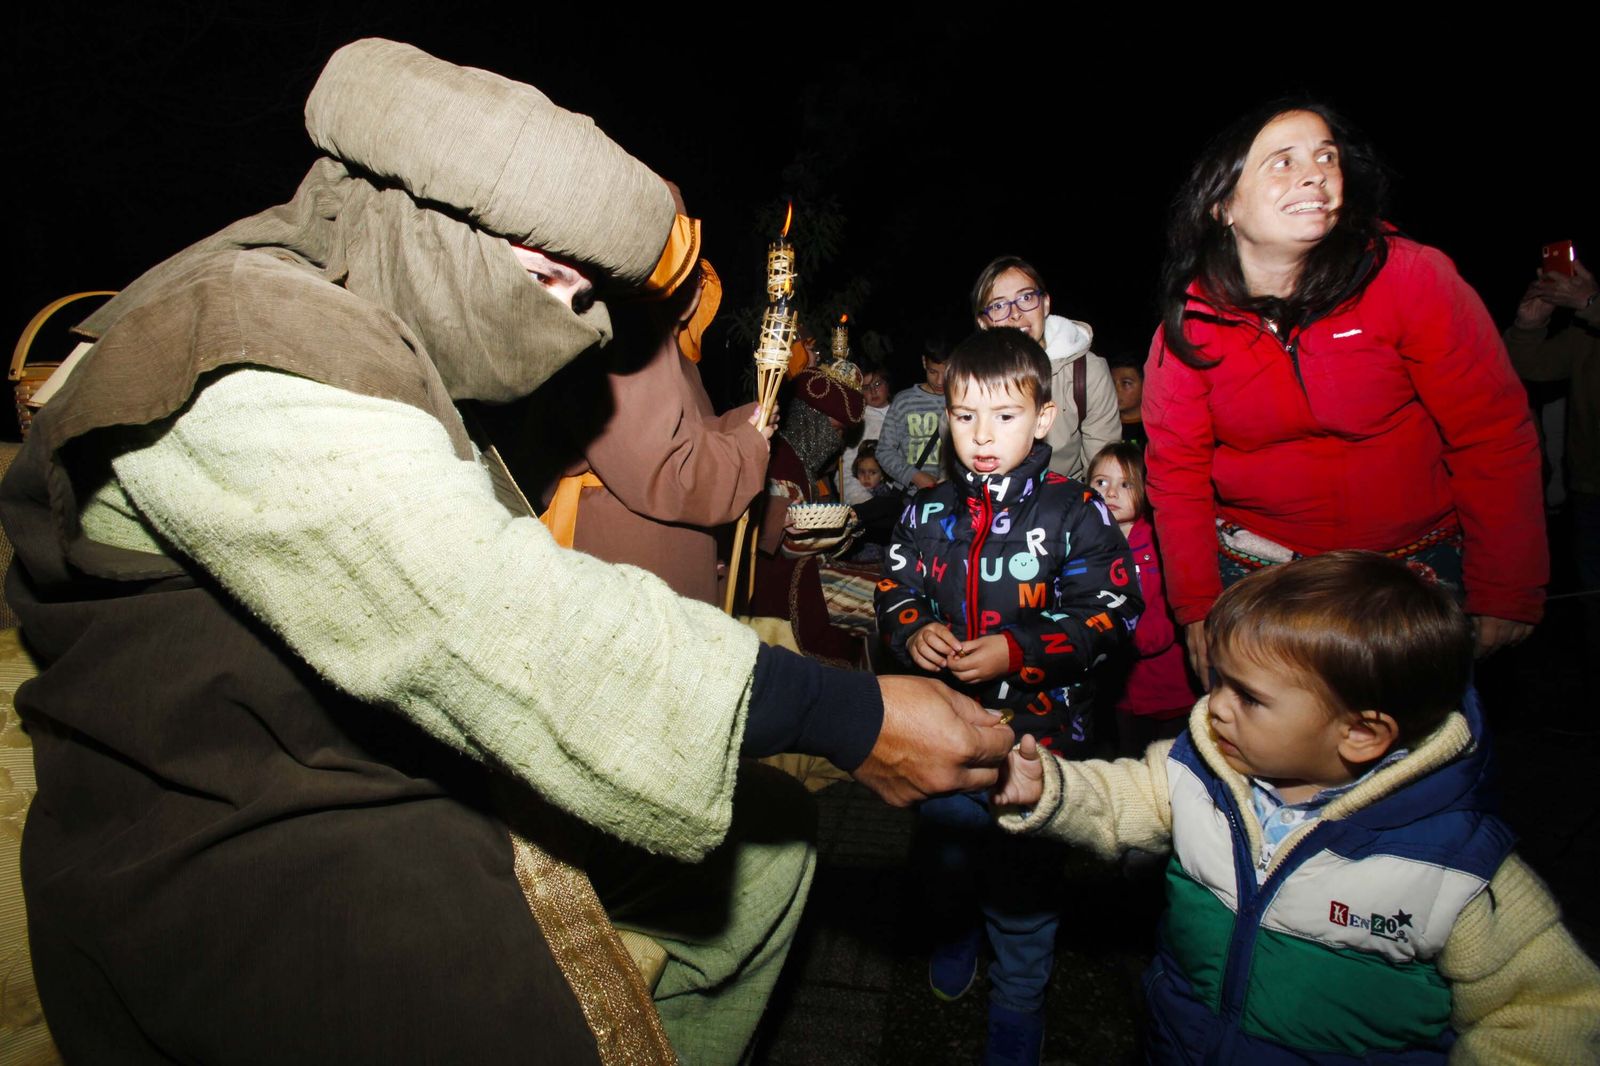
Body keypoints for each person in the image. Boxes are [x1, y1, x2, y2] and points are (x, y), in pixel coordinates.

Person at [0, 40, 1014, 1065]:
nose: (565, 324)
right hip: (235, 832)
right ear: (429, 221)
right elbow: (496, 616)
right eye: (541, 280)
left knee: (764, 857)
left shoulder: (386, 332)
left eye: (586, 296)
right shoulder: (241, 350)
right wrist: (850, 713)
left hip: (389, 758)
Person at [994, 551, 1600, 1062]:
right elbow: (1125, 796)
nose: (1215, 707)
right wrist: (1050, 787)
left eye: (1249, 697)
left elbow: (1547, 1014)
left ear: (1360, 734)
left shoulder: (1459, 874)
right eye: (1219, 680)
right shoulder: (1205, 771)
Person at [1143, 101, 1546, 680]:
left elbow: (1491, 434)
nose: (1314, 174)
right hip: (1263, 568)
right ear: (1223, 205)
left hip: (1409, 567)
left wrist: (1509, 585)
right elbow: (1176, 475)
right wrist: (1197, 606)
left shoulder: (1411, 278)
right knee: (1277, 754)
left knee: (1417, 747)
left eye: (1325, 157)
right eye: (1281, 162)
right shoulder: (1188, 329)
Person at [875, 329, 1140, 1064]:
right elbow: (895, 587)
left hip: (1036, 742)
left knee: (1024, 881)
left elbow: (1112, 610)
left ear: (1044, 418)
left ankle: (1021, 996)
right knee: (949, 854)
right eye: (965, 416)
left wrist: (1020, 649)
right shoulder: (928, 512)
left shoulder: (1076, 510)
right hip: (946, 735)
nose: (982, 436)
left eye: (1004, 416)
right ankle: (954, 932)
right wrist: (913, 628)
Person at [1506, 254, 1599, 661]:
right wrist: (1530, 326)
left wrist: (1592, 306)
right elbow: (1532, 366)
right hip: (1590, 485)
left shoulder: (1591, 314)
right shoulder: (1585, 333)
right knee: (1593, 598)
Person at [1088, 443, 1197, 755]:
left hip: (1167, 687)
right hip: (1118, 693)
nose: (1110, 493)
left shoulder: (1158, 541)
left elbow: (1161, 621)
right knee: (1129, 759)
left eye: (1126, 484)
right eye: (1100, 482)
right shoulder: (1085, 541)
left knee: (1173, 765)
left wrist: (1116, 643)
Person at [971, 255, 1119, 480]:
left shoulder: (1086, 372)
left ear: (1046, 303)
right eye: (999, 305)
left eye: (1026, 297)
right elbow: (954, 472)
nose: (1016, 313)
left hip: (1065, 503)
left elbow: (1103, 475)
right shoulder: (967, 379)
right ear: (983, 323)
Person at [876, 341, 949, 490]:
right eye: (933, 372)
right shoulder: (904, 401)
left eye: (947, 372)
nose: (940, 381)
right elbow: (884, 451)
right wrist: (914, 476)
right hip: (911, 497)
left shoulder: (964, 401)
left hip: (952, 497)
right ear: (924, 362)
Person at [1107, 356, 1147, 449]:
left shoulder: (1153, 430)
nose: (1115, 389)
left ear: (1145, 385)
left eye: (1126, 383)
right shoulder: (1102, 425)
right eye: (1111, 383)